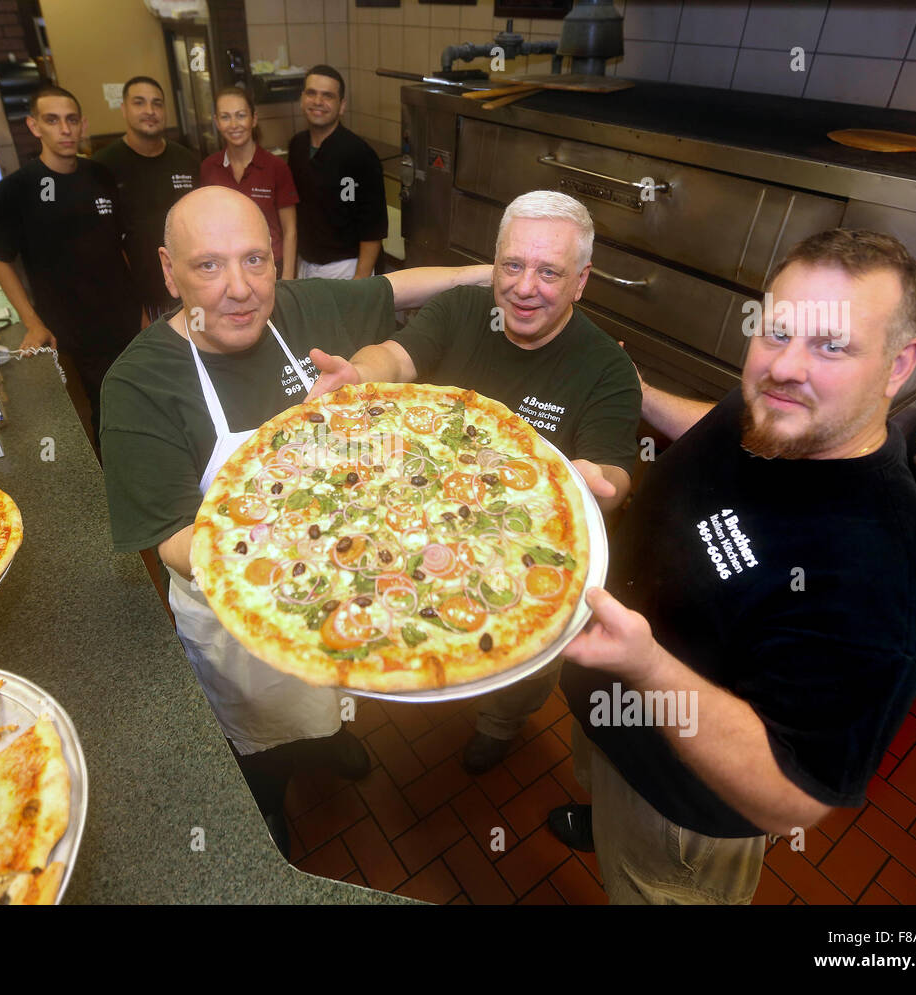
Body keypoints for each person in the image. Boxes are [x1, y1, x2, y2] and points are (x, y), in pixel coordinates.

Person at [549, 228, 916, 904]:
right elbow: (724, 417)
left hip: (679, 808)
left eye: (832, 346)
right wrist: (640, 393)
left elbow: (792, 797)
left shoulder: (885, 579)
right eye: (776, 332)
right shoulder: (782, 409)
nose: (785, 367)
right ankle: (603, 815)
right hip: (611, 713)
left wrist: (644, 665)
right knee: (605, 787)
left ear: (898, 364)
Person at [100, 185, 490, 857]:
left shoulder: (300, 311)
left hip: (339, 586)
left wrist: (487, 274)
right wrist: (300, 568)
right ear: (168, 270)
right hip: (239, 612)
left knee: (329, 701)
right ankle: (269, 802)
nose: (240, 289)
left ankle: (331, 738)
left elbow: (395, 290)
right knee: (259, 731)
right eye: (209, 266)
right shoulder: (140, 384)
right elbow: (173, 541)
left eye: (256, 260)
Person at [307, 190, 640, 773]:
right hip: (421, 528)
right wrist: (359, 373)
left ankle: (500, 724)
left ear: (582, 281)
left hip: (527, 560)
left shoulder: (606, 367)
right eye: (511, 265)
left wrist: (600, 480)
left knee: (523, 671)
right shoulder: (464, 309)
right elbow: (398, 356)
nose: (524, 287)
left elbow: (614, 471)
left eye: (549, 272)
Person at [0, 85, 141, 449]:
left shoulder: (100, 175)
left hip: (123, 321)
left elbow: (119, 248)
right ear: (34, 126)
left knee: (139, 402)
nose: (65, 129)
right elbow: (1, 259)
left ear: (83, 123)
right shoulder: (16, 190)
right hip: (70, 331)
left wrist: (140, 314)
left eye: (72, 120)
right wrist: (33, 322)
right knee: (103, 416)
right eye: (52, 120)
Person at [93, 76, 198, 321]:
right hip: (136, 301)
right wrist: (133, 307)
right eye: (139, 103)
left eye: (157, 104)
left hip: (189, 294)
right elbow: (104, 246)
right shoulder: (102, 167)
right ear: (124, 109)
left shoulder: (186, 160)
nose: (150, 111)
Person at [288, 65, 387, 280]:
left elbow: (373, 228)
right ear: (302, 99)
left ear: (342, 106)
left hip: (346, 268)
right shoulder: (297, 146)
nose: (317, 101)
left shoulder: (359, 154)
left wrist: (359, 285)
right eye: (311, 93)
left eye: (328, 96)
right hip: (306, 263)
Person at [200, 86, 298, 280]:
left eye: (241, 115)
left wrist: (287, 278)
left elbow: (290, 230)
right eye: (225, 117)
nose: (234, 124)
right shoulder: (209, 168)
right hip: (226, 271)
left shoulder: (276, 167)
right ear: (217, 122)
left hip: (269, 268)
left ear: (254, 119)